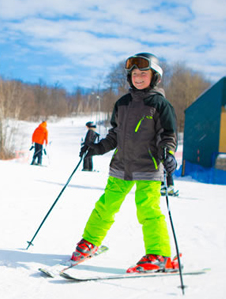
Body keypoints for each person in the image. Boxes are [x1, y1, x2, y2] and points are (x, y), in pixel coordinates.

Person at [75, 53, 179, 273]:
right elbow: (115, 134)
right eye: (134, 74)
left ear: (155, 77)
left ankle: (158, 254)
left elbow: (168, 134)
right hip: (120, 166)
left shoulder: (161, 104)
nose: (138, 77)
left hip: (148, 167)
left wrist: (168, 153)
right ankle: (89, 242)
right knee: (106, 205)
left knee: (148, 210)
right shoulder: (122, 103)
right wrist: (97, 148)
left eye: (143, 73)